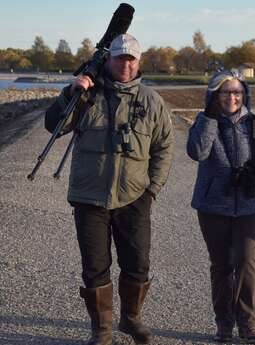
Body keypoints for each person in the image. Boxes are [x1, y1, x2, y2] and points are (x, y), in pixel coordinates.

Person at [44, 33, 174, 345]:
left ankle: (131, 318)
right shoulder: (87, 94)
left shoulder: (152, 102)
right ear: (110, 59)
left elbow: (164, 149)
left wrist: (152, 190)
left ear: (139, 62)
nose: (125, 65)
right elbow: (55, 126)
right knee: (94, 266)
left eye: (131, 59)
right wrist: (71, 92)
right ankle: (101, 330)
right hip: (89, 198)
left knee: (138, 263)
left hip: (134, 198)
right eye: (120, 58)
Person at [187, 70, 255, 344]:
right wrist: (209, 118)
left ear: (245, 95)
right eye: (226, 92)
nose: (232, 97)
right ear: (215, 95)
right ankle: (224, 325)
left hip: (249, 204)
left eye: (237, 92)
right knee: (221, 265)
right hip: (212, 205)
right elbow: (198, 152)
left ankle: (249, 323)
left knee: (246, 263)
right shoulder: (204, 121)